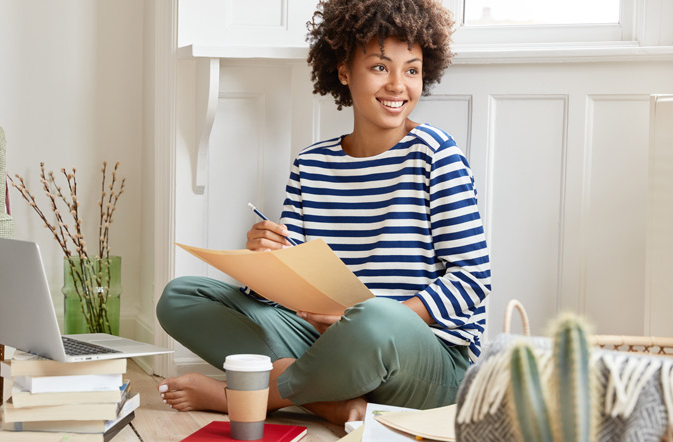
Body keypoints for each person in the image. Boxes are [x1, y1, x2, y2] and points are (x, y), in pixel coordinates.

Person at [156, 0, 491, 425]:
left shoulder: (436, 154)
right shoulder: (311, 164)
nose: (398, 86)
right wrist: (265, 259)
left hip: (423, 359)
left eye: (412, 70)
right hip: (324, 344)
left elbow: (471, 279)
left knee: (374, 317)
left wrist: (360, 321)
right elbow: (281, 293)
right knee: (182, 296)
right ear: (344, 71)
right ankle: (336, 404)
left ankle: (253, 396)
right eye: (379, 67)